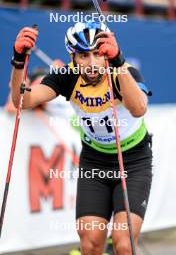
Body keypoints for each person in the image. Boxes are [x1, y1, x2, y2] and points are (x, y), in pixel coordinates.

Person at [10, 22, 153, 255]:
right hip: (95, 162)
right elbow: (22, 102)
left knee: (123, 243)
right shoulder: (67, 75)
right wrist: (18, 62)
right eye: (84, 56)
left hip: (133, 161)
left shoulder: (122, 71)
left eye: (97, 54)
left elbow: (138, 108)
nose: (92, 63)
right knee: (90, 243)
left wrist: (117, 61)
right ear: (72, 56)